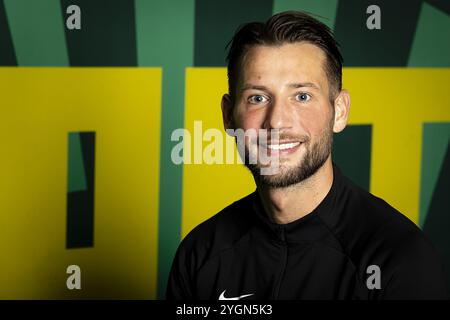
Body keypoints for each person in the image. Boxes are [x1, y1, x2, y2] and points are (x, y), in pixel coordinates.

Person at [166, 11, 449, 300]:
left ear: (339, 112)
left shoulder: (399, 262)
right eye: (257, 98)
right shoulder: (199, 255)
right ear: (228, 115)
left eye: (301, 96)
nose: (276, 122)